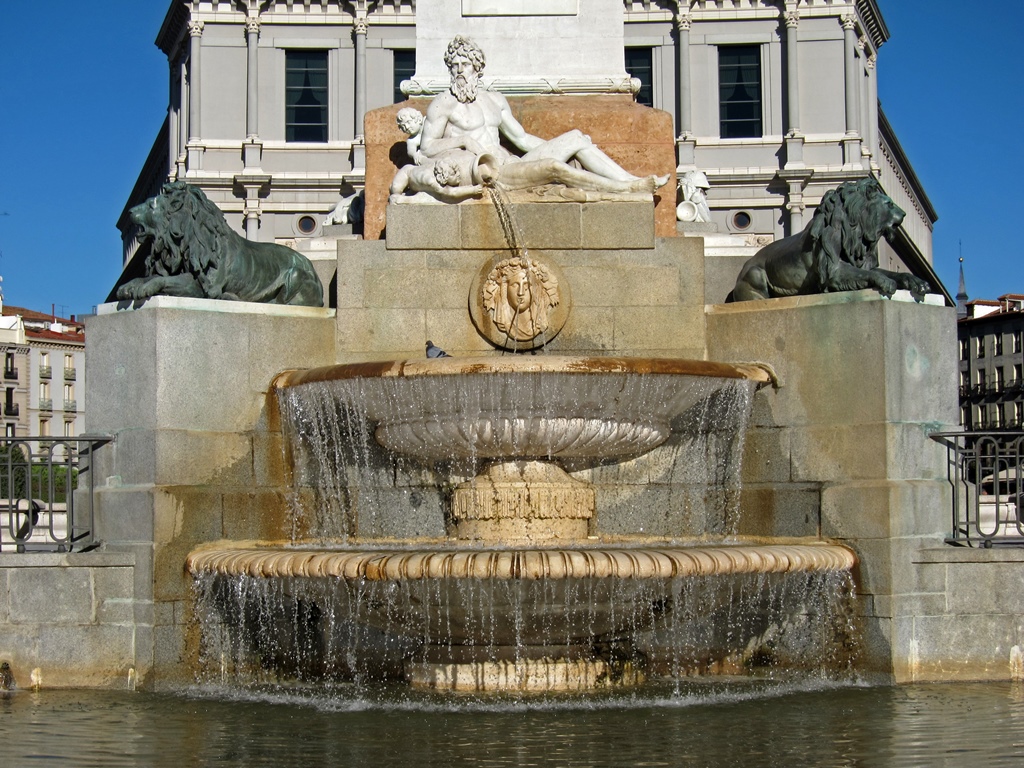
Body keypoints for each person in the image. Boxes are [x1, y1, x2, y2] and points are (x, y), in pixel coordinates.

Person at [417, 35, 669, 196]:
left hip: (512, 163)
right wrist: (463, 142)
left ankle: (631, 180)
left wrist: (556, 146)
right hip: (492, 174)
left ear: (477, 68)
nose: (460, 71)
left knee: (576, 138)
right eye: (454, 66)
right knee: (553, 167)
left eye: (465, 64)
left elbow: (523, 139)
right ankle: (624, 190)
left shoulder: (494, 100)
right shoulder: (443, 104)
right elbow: (427, 147)